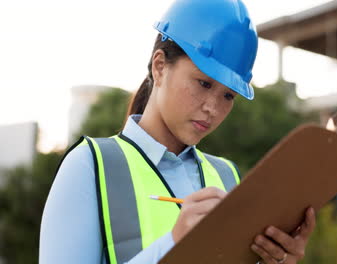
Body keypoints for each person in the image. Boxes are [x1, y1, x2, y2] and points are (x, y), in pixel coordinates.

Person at [39, 0, 316, 263]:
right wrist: (173, 244)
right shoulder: (90, 166)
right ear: (160, 67)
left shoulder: (227, 176)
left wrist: (277, 260)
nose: (213, 108)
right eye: (204, 84)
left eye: (228, 96)